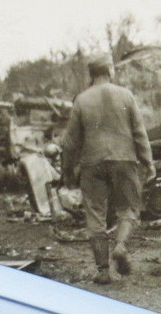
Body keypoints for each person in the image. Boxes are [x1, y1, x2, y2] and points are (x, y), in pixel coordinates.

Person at [61, 57, 156, 284]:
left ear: (91, 75)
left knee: (95, 214)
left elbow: (70, 142)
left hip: (91, 163)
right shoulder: (126, 95)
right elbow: (139, 132)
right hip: (124, 159)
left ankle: (103, 271)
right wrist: (148, 162)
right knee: (128, 208)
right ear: (109, 72)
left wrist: (67, 171)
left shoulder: (81, 100)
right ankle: (120, 246)